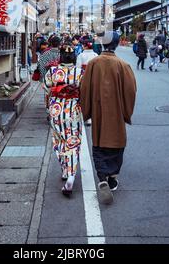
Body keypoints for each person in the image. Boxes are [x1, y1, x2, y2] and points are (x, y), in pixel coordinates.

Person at [80, 31, 136, 205]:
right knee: (117, 144)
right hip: (117, 112)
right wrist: (126, 112)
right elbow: (130, 92)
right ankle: (111, 178)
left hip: (98, 111)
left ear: (102, 44)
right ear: (117, 44)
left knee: (99, 143)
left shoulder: (93, 64)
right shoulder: (123, 65)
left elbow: (85, 89)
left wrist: (86, 111)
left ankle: (102, 175)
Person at [44, 45, 83, 197]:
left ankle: (65, 170)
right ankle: (71, 176)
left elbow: (47, 88)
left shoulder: (52, 72)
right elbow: (85, 90)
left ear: (60, 57)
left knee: (59, 141)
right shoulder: (80, 73)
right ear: (73, 57)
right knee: (72, 142)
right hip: (73, 112)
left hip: (56, 111)